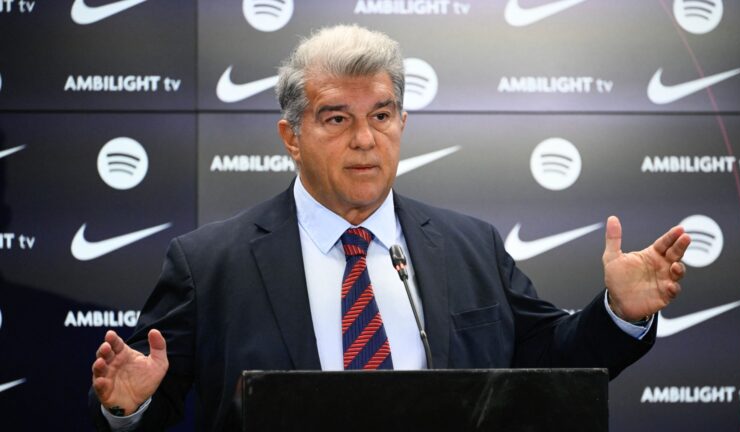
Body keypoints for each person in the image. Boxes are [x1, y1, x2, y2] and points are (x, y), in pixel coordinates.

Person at [89, 24, 690, 431]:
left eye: (381, 115)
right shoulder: (209, 264)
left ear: (402, 123)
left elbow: (551, 362)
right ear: (291, 137)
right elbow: (147, 402)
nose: (364, 139)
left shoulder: (470, 247)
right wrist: (128, 407)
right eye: (336, 119)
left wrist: (618, 312)